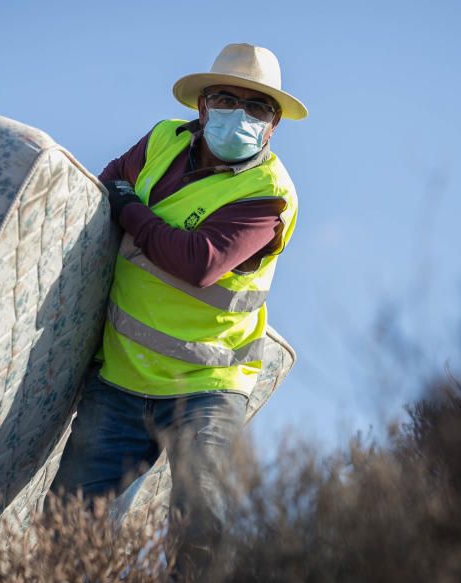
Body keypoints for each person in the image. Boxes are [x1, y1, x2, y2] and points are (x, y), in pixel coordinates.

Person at [48, 42, 307, 577]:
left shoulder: (269, 195)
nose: (240, 113)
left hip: (206, 387)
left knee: (201, 522)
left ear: (274, 125)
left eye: (257, 106)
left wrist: (132, 212)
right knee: (65, 529)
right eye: (227, 98)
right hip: (120, 380)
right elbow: (106, 187)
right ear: (203, 106)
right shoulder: (164, 139)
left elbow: (199, 261)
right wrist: (125, 206)